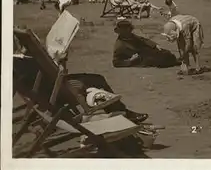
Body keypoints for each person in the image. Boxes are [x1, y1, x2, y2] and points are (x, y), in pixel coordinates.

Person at [13, 35, 148, 123]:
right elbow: (53, 77)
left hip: (49, 93)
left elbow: (43, 78)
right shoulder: (26, 63)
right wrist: (60, 62)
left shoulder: (16, 64)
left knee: (94, 78)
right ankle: (123, 114)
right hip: (59, 92)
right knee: (98, 80)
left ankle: (122, 112)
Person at [112, 20, 178, 68]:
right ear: (123, 31)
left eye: (130, 29)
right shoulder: (119, 45)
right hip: (141, 58)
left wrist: (155, 45)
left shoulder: (130, 35)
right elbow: (116, 62)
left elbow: (142, 39)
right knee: (161, 59)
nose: (130, 31)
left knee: (166, 53)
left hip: (146, 51)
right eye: (128, 29)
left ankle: (174, 60)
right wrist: (130, 61)